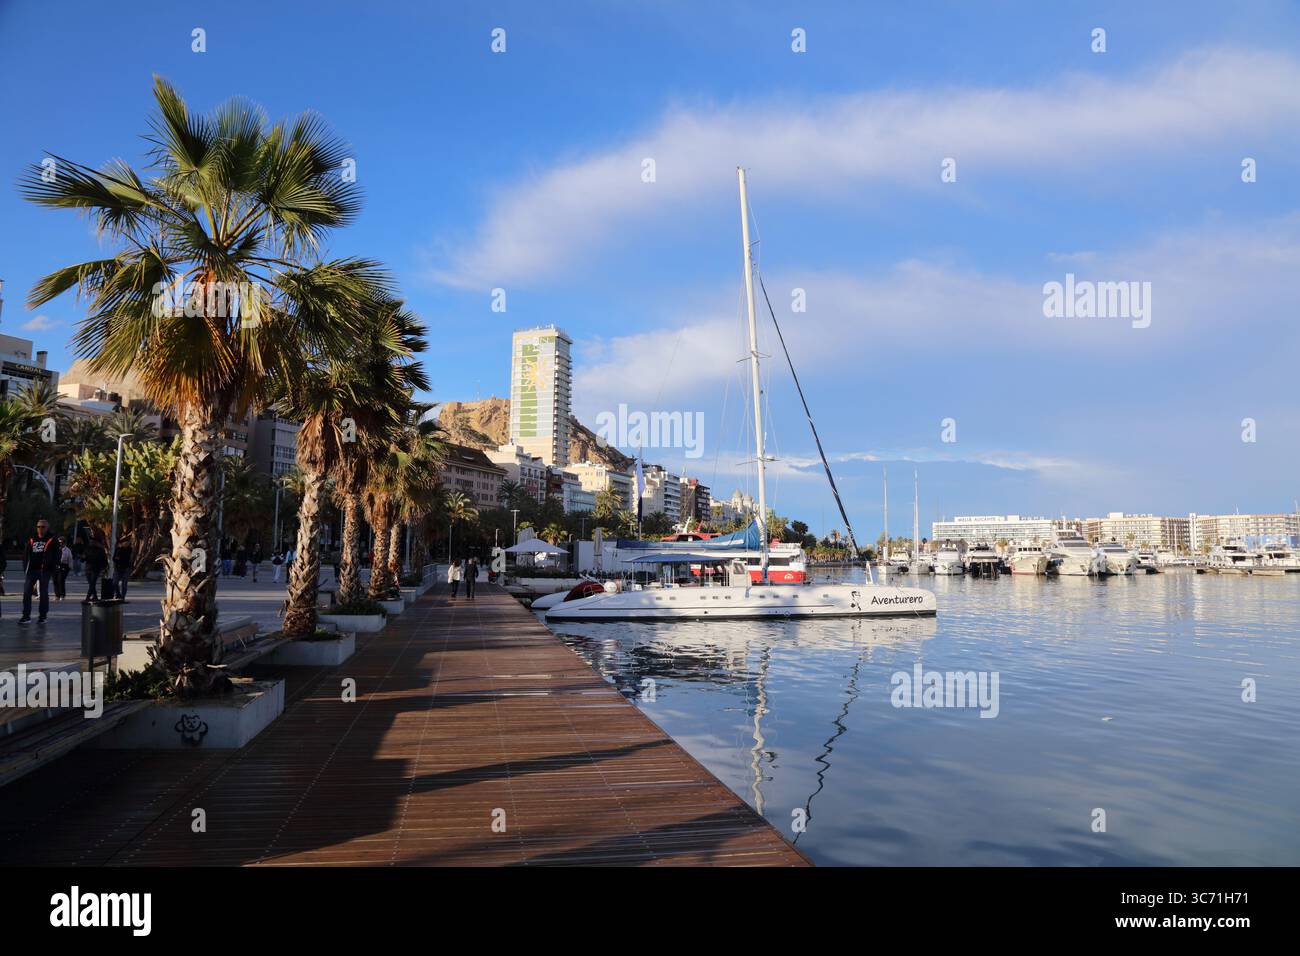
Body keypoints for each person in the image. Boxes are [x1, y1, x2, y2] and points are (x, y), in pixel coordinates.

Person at [19, 518, 60, 624]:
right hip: (32, 570)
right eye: (38, 526)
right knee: (27, 592)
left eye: (43, 527)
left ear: (47, 528)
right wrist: (26, 568)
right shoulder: (32, 539)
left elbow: (57, 555)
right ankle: (26, 616)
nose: (40, 529)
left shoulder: (52, 539)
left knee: (43, 593)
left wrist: (52, 568)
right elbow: (26, 554)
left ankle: (42, 616)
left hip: (44, 571)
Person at [83, 530, 108, 602]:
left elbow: (104, 559)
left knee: (92, 583)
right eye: (91, 541)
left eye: (93, 541)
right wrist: (83, 558)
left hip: (96, 568)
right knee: (91, 584)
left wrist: (104, 567)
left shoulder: (100, 550)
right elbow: (84, 558)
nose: (91, 542)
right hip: (88, 568)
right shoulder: (88, 548)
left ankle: (87, 597)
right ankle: (95, 597)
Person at [54, 537, 72, 601]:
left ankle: (62, 595)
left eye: (62, 543)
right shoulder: (56, 549)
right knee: (55, 580)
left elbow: (70, 559)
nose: (60, 544)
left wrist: (69, 567)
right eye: (59, 543)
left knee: (61, 580)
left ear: (65, 543)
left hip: (64, 565)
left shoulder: (67, 550)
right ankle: (57, 595)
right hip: (56, 565)